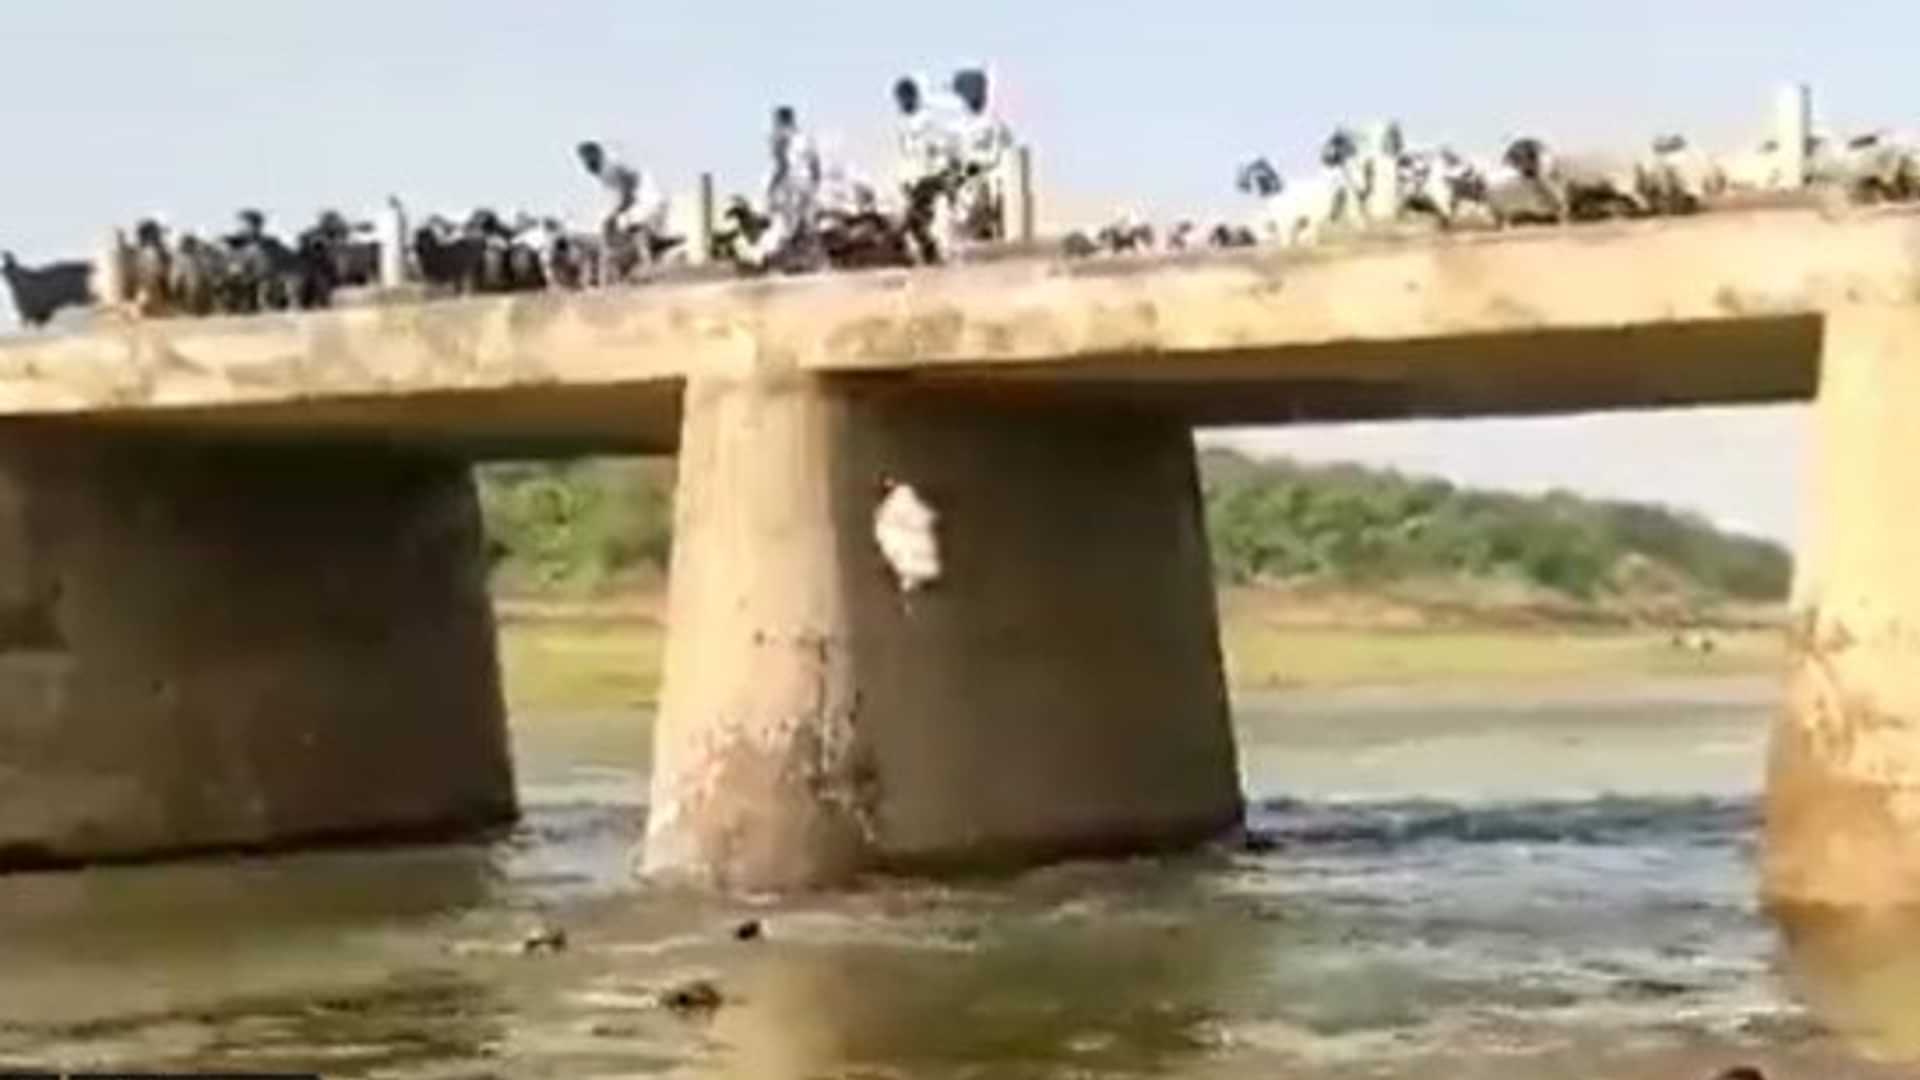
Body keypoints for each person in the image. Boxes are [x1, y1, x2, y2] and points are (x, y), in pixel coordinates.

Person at [947, 67, 1014, 244]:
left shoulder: (994, 125)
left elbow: (1002, 155)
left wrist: (980, 167)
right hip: (964, 179)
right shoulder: (956, 127)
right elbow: (951, 156)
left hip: (989, 178)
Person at [575, 140, 668, 249]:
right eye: (584, 160)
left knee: (629, 222)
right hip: (638, 197)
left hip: (646, 195)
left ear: (597, 154)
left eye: (588, 158)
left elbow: (628, 192)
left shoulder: (610, 168)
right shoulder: (603, 171)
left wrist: (616, 213)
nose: (586, 163)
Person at [765, 106, 823, 255]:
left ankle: (791, 257)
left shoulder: (781, 139)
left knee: (788, 224)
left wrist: (772, 187)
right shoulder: (806, 137)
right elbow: (815, 164)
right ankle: (816, 256)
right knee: (807, 222)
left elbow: (782, 165)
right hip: (807, 183)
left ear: (780, 121)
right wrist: (815, 183)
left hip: (790, 183)